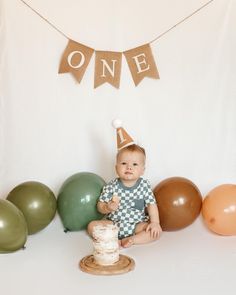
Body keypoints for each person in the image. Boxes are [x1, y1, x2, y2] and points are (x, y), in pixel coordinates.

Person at [87, 144, 162, 248]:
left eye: (135, 164)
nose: (129, 167)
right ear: (116, 168)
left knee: (155, 232)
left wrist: (155, 222)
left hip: (137, 225)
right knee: (91, 226)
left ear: (143, 170)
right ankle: (112, 239)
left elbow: (151, 204)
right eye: (123, 163)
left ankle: (132, 239)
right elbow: (100, 206)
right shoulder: (111, 186)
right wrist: (107, 207)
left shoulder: (144, 186)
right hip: (113, 224)